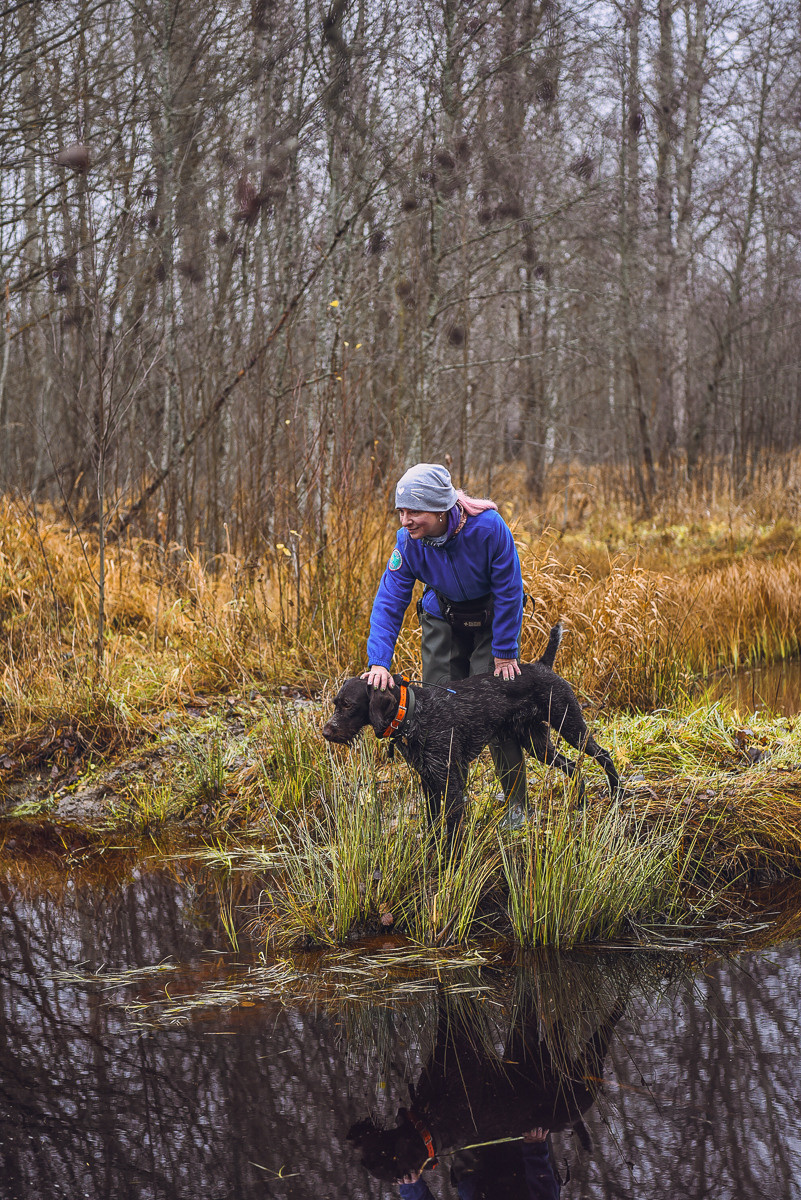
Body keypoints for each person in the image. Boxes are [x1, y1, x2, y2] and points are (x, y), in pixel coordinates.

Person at [364, 461, 528, 827]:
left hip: (491, 619)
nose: (405, 520)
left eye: (414, 511)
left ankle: (517, 801)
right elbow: (389, 601)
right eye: (401, 511)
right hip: (444, 617)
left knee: (493, 706)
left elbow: (509, 589)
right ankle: (451, 799)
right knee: (436, 707)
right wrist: (379, 661)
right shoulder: (407, 544)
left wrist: (505, 652)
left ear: (440, 509)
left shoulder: (488, 529)